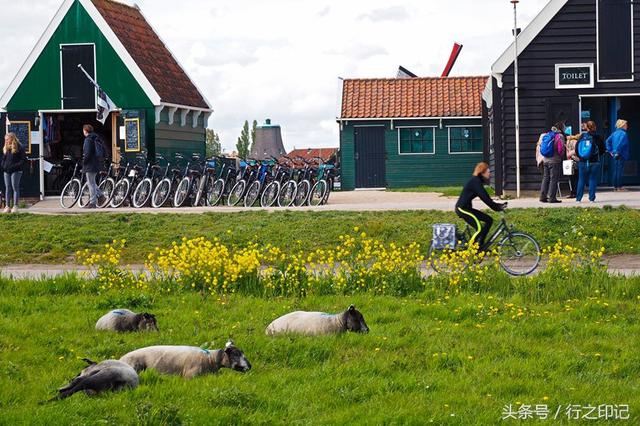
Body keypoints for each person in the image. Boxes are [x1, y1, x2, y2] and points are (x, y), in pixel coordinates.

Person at [455, 162, 507, 252]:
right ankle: (471, 251)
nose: (490, 173)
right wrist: (497, 207)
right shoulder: (475, 182)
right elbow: (485, 198)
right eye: (488, 172)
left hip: (468, 208)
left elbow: (486, 198)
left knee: (489, 220)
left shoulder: (477, 181)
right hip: (462, 209)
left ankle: (480, 246)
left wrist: (497, 206)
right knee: (479, 228)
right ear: (482, 172)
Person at [575, 121, 606, 203]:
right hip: (595, 162)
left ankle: (578, 199)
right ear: (595, 127)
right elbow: (602, 150)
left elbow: (576, 149)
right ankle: (591, 199)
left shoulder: (582, 136)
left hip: (582, 162)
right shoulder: (598, 137)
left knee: (581, 180)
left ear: (587, 128)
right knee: (592, 179)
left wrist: (581, 157)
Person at [539, 122, 566, 203]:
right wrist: (561, 156)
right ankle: (552, 198)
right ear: (561, 128)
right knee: (553, 179)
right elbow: (560, 149)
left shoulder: (547, 134)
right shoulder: (559, 136)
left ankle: (542, 197)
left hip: (545, 160)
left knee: (545, 178)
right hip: (554, 160)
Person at [2, 132, 26, 213]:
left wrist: (14, 166)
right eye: (5, 140)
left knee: (15, 187)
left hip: (16, 171)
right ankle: (7, 206)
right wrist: (3, 165)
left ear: (12, 138)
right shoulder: (6, 147)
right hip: (7, 171)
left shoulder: (20, 147)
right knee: (7, 188)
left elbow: (23, 160)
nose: (6, 141)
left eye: (7, 139)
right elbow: (4, 159)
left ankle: (15, 206)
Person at [82, 124, 104, 208]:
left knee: (90, 184)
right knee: (92, 182)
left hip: (90, 164)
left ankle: (93, 202)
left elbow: (87, 154)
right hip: (96, 163)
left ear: (85, 131)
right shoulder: (95, 138)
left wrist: (83, 162)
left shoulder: (88, 140)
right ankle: (101, 196)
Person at [605, 119, 631, 192]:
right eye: (626, 125)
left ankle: (615, 187)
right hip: (621, 154)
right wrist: (616, 151)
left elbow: (607, 141)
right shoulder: (623, 134)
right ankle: (619, 187)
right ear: (622, 125)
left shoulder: (614, 133)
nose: (627, 126)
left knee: (616, 171)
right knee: (619, 171)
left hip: (615, 154)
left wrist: (611, 151)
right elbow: (620, 144)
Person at [565, 124, 585, 198]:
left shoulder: (568, 141)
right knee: (577, 177)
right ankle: (577, 192)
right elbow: (577, 151)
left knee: (571, 178)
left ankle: (572, 192)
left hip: (569, 161)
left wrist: (569, 155)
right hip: (576, 161)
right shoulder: (576, 142)